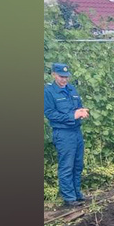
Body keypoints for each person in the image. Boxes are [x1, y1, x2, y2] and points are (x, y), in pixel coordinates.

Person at [43, 62, 90, 206]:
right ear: (54, 75)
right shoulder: (48, 92)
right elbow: (50, 114)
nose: (64, 79)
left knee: (78, 164)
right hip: (63, 134)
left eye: (66, 77)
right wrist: (72, 116)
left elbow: (78, 106)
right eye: (61, 76)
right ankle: (69, 198)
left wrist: (82, 112)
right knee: (67, 166)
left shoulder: (72, 89)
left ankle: (77, 193)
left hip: (76, 132)